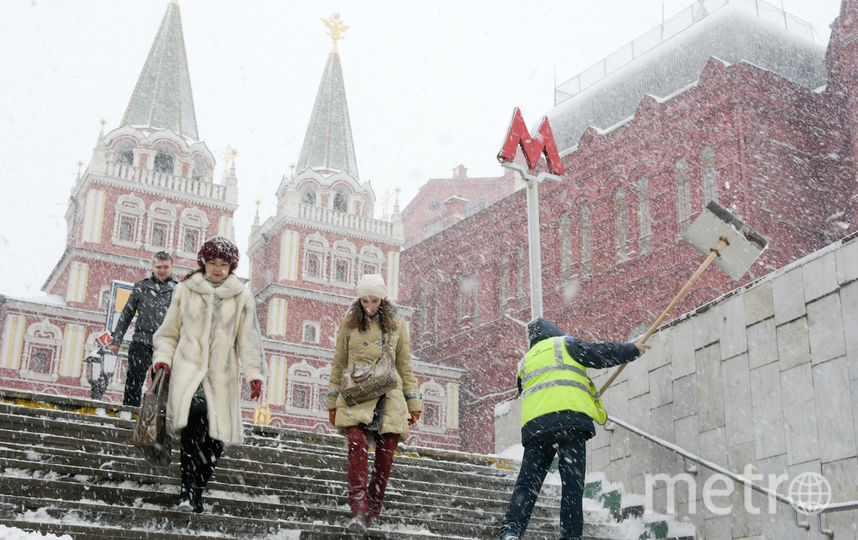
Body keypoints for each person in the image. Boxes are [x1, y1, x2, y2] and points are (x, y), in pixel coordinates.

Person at [498, 317, 649, 540]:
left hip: (537, 429)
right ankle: (570, 536)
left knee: (527, 485)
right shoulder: (565, 344)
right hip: (569, 425)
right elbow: (600, 354)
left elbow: (527, 389)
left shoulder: (524, 362)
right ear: (553, 331)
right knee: (572, 487)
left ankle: (512, 530)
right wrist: (632, 350)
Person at [151, 236, 267, 513]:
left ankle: (197, 488)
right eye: (212, 262)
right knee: (192, 429)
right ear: (204, 262)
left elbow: (249, 339)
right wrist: (163, 359)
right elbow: (169, 332)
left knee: (216, 440)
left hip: (221, 374)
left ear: (231, 266)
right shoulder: (186, 289)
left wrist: (254, 373)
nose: (217, 268)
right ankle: (186, 492)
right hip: (189, 371)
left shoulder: (242, 296)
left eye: (223, 264)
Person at [327, 274, 422, 534]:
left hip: (389, 395)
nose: (369, 305)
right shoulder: (348, 324)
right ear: (359, 299)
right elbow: (339, 363)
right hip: (356, 393)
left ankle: (374, 510)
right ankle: (358, 508)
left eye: (374, 300)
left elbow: (404, 365)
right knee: (356, 445)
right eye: (365, 300)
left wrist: (413, 401)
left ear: (383, 300)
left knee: (385, 456)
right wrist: (332, 401)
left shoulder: (397, 325)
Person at [109, 251, 178, 406]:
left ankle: (156, 416)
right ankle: (129, 413)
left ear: (172, 267)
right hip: (141, 341)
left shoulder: (179, 290)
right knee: (134, 380)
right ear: (153, 266)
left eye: (165, 267)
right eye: (158, 267)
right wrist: (116, 340)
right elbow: (126, 314)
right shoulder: (141, 286)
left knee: (161, 385)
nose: (162, 270)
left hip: (166, 344)